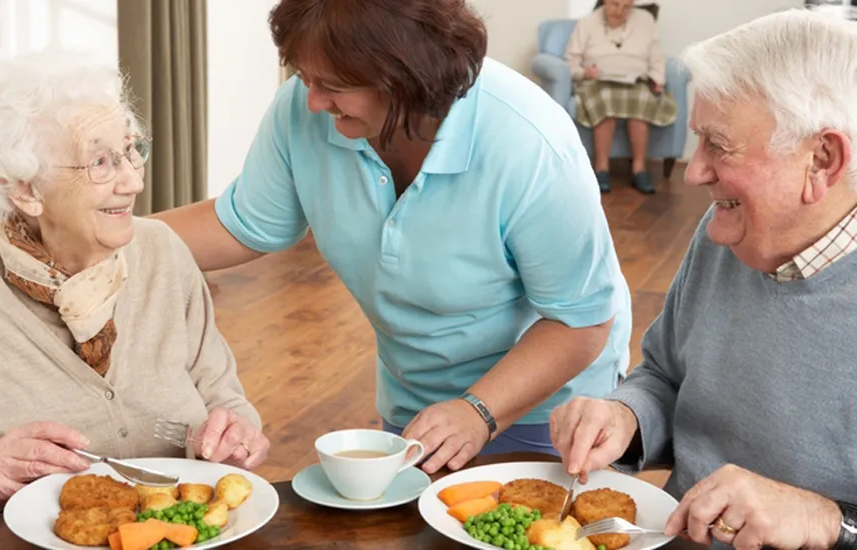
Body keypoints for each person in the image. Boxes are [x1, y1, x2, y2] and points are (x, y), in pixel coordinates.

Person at [155, 0, 632, 476]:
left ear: (406, 79)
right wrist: (108, 235)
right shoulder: (305, 113)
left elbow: (581, 321)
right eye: (305, 77)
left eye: (334, 86)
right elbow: (241, 223)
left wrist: (478, 411)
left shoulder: (529, 142)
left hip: (547, 408)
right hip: (417, 402)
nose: (314, 102)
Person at [550, 9, 857, 549]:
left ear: (822, 160)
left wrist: (827, 520)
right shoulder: (724, 232)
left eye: (718, 145)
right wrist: (626, 416)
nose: (694, 171)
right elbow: (666, 374)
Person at [0, 50, 270, 522]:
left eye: (130, 150)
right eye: (100, 162)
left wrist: (237, 433)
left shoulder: (162, 251)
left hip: (182, 531)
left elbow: (222, 395)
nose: (133, 180)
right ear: (25, 189)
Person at [564, 0, 678, 194]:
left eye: (626, 7)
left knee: (642, 101)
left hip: (635, 81)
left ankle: (639, 170)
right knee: (605, 101)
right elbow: (570, 61)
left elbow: (656, 57)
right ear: (605, 2)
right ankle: (601, 169)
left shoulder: (646, 20)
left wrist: (657, 79)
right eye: (615, 5)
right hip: (598, 81)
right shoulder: (587, 23)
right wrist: (584, 72)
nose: (620, 11)